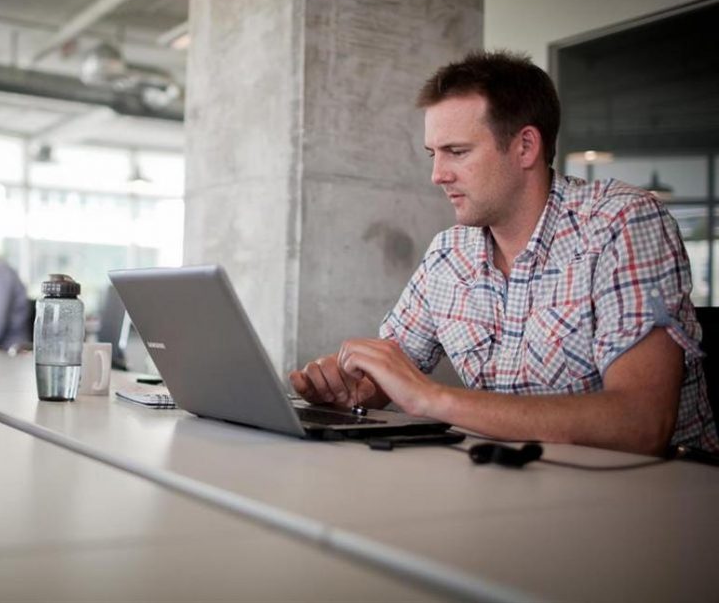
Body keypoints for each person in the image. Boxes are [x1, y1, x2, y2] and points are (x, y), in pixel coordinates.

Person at [289, 50, 718, 455]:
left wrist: (432, 398)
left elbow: (641, 423)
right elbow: (387, 376)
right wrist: (354, 387)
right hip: (522, 483)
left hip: (658, 497)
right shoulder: (449, 254)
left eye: (457, 151)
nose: (437, 175)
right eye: (433, 154)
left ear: (525, 147)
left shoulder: (621, 223)